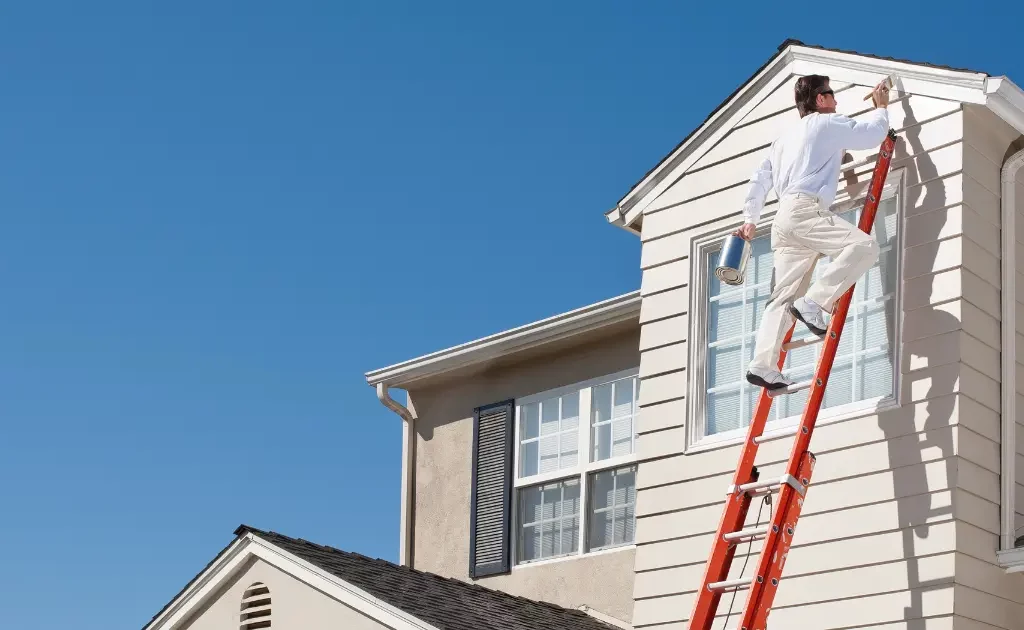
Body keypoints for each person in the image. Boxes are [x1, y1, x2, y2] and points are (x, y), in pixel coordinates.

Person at [738, 75, 892, 391]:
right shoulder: (827, 123)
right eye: (832, 94)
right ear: (820, 99)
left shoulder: (782, 141)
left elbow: (760, 179)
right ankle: (815, 302)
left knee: (782, 298)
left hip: (782, 220)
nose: (836, 100)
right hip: (806, 209)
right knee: (864, 247)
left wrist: (750, 218)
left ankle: (762, 365)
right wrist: (881, 107)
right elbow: (873, 134)